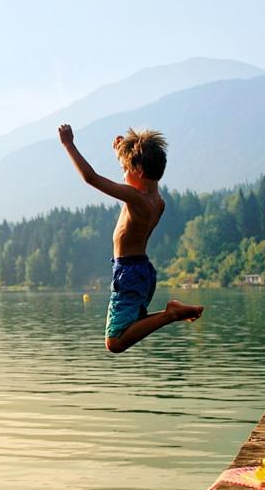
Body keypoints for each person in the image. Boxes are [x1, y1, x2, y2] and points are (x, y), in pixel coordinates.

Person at [58, 123, 203, 353]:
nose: (123, 173)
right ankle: (173, 312)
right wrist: (122, 155)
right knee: (130, 327)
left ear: (139, 171)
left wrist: (69, 144)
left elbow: (91, 178)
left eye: (126, 168)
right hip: (143, 272)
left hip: (129, 273)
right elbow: (134, 180)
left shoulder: (136, 199)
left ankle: (171, 313)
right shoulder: (157, 202)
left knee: (115, 342)